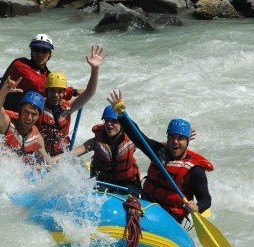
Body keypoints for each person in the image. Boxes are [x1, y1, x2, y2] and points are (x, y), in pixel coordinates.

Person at [108, 90, 213, 223]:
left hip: (169, 219)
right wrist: (122, 114)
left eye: (180, 138)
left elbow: (206, 199)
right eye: (172, 137)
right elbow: (138, 136)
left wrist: (197, 206)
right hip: (145, 208)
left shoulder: (195, 170)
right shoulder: (157, 152)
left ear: (187, 142)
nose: (175, 142)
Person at [36, 45, 106, 156]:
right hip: (40, 156)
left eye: (59, 91)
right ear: (46, 91)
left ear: (64, 93)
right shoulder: (37, 108)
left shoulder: (67, 108)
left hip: (61, 157)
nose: (56, 95)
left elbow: (90, 92)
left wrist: (95, 69)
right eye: (52, 91)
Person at [55, 105, 141, 191]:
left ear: (122, 123)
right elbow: (71, 154)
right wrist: (49, 162)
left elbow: (150, 148)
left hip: (126, 184)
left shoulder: (132, 141)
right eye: (106, 121)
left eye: (113, 121)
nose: (109, 124)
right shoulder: (96, 141)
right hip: (103, 182)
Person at [0, 33, 77, 112]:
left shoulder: (48, 75)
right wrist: (73, 92)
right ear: (31, 51)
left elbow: (52, 95)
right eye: (36, 50)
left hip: (26, 118)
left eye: (44, 51)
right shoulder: (20, 64)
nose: (40, 54)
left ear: (50, 53)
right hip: (2, 112)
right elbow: (37, 85)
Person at [0, 76, 52, 166]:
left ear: (39, 116)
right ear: (19, 110)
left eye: (34, 114)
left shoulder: (37, 138)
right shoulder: (6, 124)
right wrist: (4, 91)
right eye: (26, 112)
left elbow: (48, 164)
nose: (29, 117)